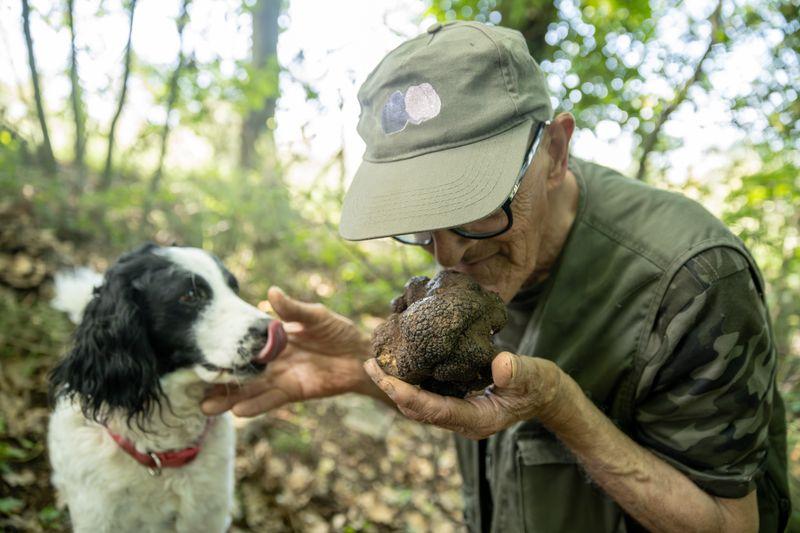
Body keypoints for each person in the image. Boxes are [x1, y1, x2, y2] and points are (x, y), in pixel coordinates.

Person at [203, 21, 790, 532]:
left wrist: (558, 404)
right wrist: (363, 369)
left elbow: (728, 524)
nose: (447, 254)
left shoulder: (694, 283)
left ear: (556, 151)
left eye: (472, 205)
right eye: (422, 220)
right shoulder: (470, 248)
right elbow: (482, 417)